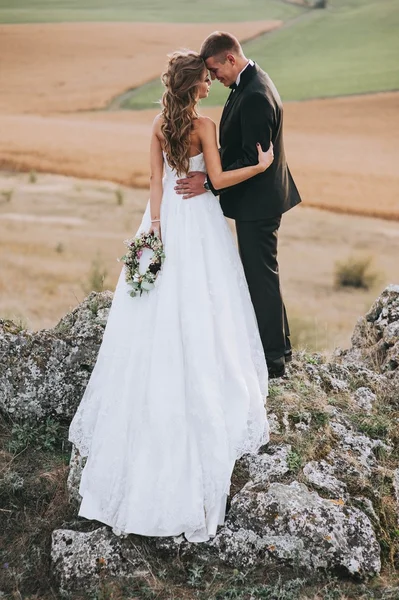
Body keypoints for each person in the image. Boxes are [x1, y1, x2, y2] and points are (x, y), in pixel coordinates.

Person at [68, 50, 273, 543]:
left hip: (164, 221)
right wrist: (261, 166)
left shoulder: (159, 124)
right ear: (192, 86)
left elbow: (156, 182)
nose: (209, 84)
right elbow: (218, 181)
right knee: (209, 302)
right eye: (204, 80)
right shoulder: (204, 125)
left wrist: (156, 231)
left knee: (156, 308)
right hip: (198, 219)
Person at [175, 32, 302, 379]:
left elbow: (252, 157)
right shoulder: (248, 83)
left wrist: (210, 180)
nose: (213, 78)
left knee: (259, 277)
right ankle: (282, 347)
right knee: (264, 274)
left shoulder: (256, 95)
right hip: (257, 200)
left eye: (215, 70)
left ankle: (273, 362)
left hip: (259, 203)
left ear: (230, 58)